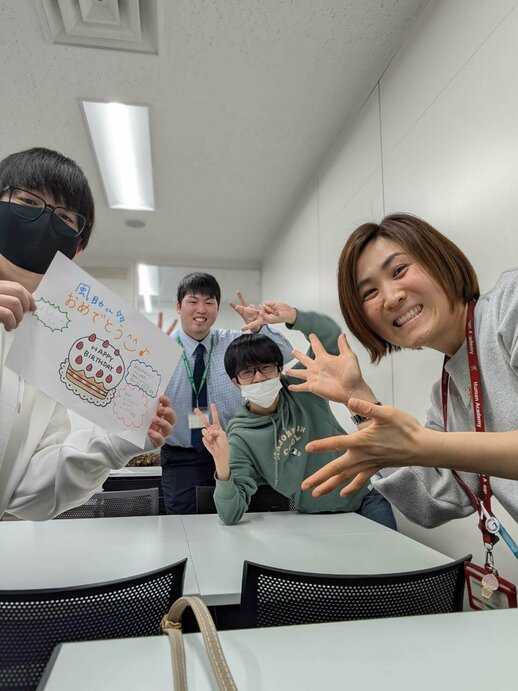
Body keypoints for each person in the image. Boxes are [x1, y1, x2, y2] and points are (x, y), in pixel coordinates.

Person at [289, 213, 518, 528]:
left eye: (399, 270)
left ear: (439, 259)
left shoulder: (510, 303)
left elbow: (425, 449)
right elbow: (434, 503)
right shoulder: (446, 397)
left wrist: (421, 446)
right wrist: (358, 398)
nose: (391, 298)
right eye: (369, 293)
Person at [0, 147, 175, 521]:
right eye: (28, 201)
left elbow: (24, 493)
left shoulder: (50, 346)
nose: (45, 221)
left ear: (76, 248)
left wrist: (114, 443)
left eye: (65, 217)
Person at [194, 300, 396, 528]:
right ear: (236, 382)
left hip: (367, 500)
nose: (259, 377)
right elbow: (230, 515)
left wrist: (293, 317)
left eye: (266, 367)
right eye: (248, 372)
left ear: (280, 369)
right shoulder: (240, 436)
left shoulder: (302, 386)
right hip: (312, 519)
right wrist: (222, 463)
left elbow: (329, 336)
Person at [160, 273, 293, 514]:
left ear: (217, 309)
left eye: (209, 302)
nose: (201, 309)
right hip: (182, 458)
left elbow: (284, 355)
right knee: (182, 526)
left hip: (236, 452)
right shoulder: (159, 350)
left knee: (240, 520)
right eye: (193, 301)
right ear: (179, 306)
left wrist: (261, 327)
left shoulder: (234, 343)